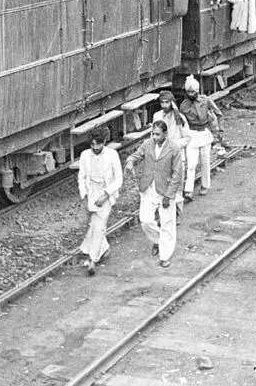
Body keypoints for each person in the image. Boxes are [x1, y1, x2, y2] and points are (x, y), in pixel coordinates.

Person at [124, 120, 185, 268]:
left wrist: (169, 195)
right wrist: (130, 161)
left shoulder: (174, 148)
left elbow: (178, 174)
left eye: (157, 134)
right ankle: (158, 240)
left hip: (165, 190)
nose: (154, 137)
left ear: (165, 133)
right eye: (153, 134)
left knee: (168, 224)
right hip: (148, 188)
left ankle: (165, 256)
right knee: (145, 220)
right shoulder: (147, 144)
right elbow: (136, 155)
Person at [77, 126, 122, 276]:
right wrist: (84, 195)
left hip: (106, 194)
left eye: (99, 144)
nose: (96, 148)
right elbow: (82, 177)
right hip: (91, 193)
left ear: (104, 142)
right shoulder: (85, 155)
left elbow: (119, 179)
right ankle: (105, 248)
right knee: (93, 224)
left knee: (98, 226)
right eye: (93, 145)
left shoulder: (112, 154)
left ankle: (92, 260)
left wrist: (106, 195)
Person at [179, 75, 219, 200]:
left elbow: (217, 112)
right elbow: (182, 122)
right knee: (191, 164)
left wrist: (216, 128)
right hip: (191, 135)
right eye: (189, 92)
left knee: (205, 161)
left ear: (197, 90)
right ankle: (188, 189)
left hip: (204, 133)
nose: (191, 94)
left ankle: (205, 185)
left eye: (193, 91)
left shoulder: (205, 100)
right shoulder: (183, 106)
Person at [153, 91, 190, 221]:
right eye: (162, 102)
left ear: (172, 102)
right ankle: (161, 213)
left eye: (167, 102)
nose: (164, 105)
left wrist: (174, 146)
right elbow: (154, 135)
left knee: (177, 186)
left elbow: (187, 137)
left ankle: (177, 213)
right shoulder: (157, 116)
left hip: (177, 156)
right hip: (162, 157)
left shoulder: (180, 118)